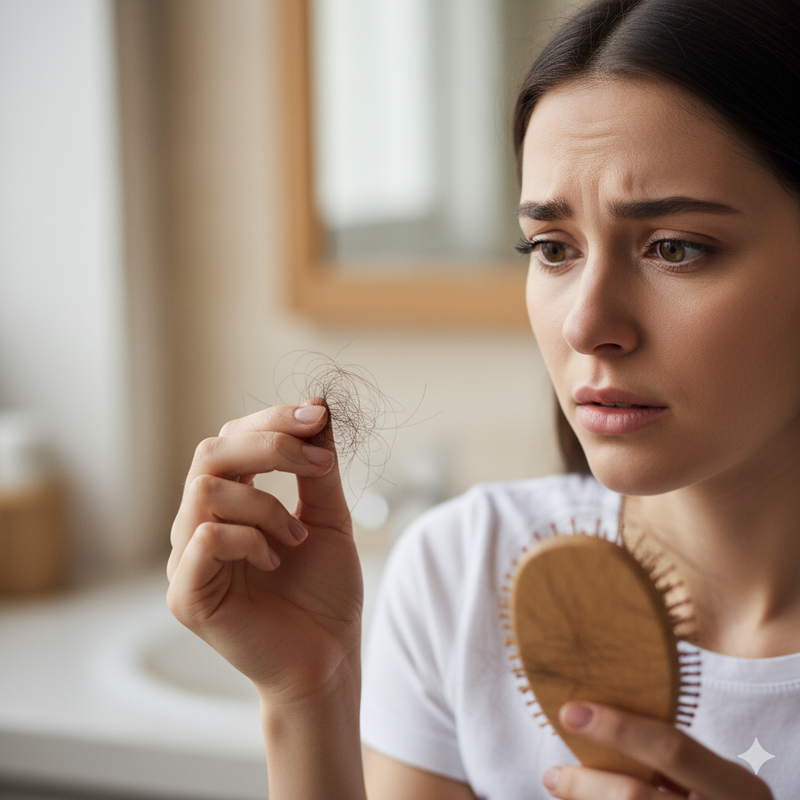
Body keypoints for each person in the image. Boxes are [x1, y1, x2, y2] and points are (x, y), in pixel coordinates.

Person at [166, 0, 800, 796]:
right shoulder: (464, 579)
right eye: (553, 248)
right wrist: (308, 694)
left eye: (675, 247)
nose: (587, 323)